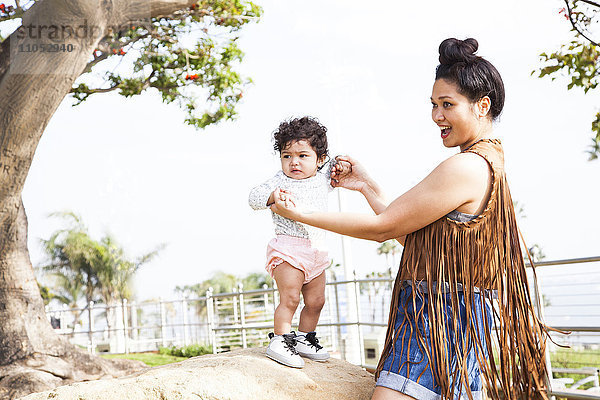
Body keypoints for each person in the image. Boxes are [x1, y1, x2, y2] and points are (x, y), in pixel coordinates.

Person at [270, 38, 550, 399]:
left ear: (483, 106)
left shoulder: (465, 166)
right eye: (434, 105)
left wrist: (300, 214)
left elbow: (383, 230)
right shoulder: (492, 163)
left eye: (447, 105)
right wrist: (368, 186)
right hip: (457, 319)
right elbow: (420, 239)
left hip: (435, 318)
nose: (437, 116)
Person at [249, 116, 348, 368]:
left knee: (316, 301)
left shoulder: (323, 177)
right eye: (286, 155)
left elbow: (339, 169)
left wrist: (342, 168)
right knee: (291, 298)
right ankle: (280, 339)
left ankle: (304, 337)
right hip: (288, 248)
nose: (294, 162)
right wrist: (272, 196)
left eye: (303, 156)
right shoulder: (279, 181)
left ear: (320, 159)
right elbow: (254, 196)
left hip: (317, 251)